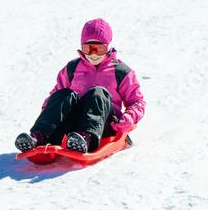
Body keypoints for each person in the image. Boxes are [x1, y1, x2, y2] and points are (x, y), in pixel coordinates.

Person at [15, 18, 146, 153]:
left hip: (104, 125)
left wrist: (128, 117)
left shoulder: (121, 71)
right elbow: (55, 96)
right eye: (88, 49)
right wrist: (47, 112)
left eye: (99, 49)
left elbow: (137, 101)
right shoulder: (72, 68)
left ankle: (86, 137)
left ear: (108, 47)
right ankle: (40, 136)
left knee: (98, 92)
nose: (93, 54)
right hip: (73, 126)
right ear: (82, 47)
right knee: (64, 94)